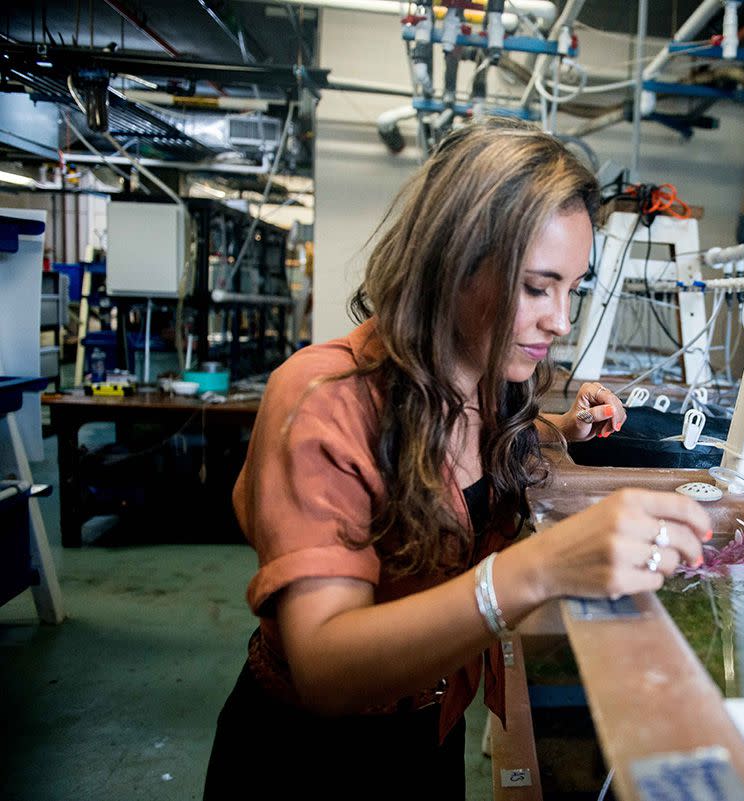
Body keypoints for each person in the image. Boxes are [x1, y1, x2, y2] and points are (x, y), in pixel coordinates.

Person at [203, 118, 711, 798]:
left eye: (572, 288)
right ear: (454, 260)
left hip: (429, 730)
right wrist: (535, 568)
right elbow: (323, 664)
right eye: (536, 287)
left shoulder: (487, 379)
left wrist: (563, 428)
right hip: (309, 760)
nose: (560, 320)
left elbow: (469, 454)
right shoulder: (323, 398)